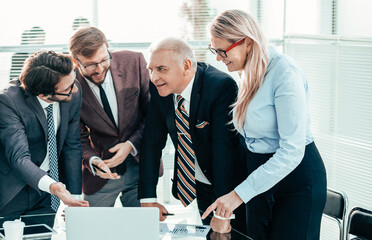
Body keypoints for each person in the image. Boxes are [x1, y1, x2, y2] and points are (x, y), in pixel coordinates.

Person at [202, 9, 327, 239]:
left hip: (296, 181)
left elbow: (291, 151)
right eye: (214, 50)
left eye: (221, 51)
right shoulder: (247, 73)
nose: (218, 58)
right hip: (261, 179)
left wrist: (238, 195)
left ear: (247, 42)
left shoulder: (284, 73)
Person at [139, 37, 247, 234]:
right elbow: (151, 143)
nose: (154, 77)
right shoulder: (159, 87)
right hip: (201, 185)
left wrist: (223, 213)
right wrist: (148, 199)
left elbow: (225, 153)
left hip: (230, 189)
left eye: (161, 69)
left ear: (186, 66)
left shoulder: (221, 87)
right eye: (150, 69)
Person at [0, 50, 89, 228]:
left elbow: (72, 146)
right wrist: (54, 187)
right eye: (68, 89)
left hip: (48, 193)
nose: (76, 89)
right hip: (11, 189)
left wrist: (75, 199)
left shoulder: (72, 89)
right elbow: (19, 158)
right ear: (43, 95)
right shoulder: (8, 102)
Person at [69, 26, 153, 207]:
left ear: (107, 47)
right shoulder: (69, 84)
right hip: (101, 175)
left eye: (103, 59)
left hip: (141, 167)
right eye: (90, 64)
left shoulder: (135, 61)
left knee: (140, 230)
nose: (99, 69)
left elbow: (152, 114)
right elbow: (77, 137)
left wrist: (130, 145)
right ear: (76, 62)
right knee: (93, 231)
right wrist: (92, 161)